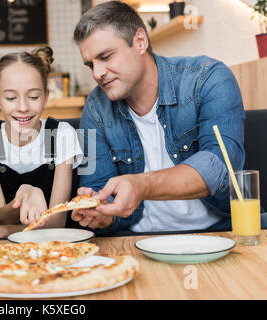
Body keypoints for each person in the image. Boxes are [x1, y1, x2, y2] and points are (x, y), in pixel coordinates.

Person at [70, 1, 251, 234]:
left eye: (106, 57)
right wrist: (100, 214)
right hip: (136, 241)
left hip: (222, 233)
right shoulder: (95, 107)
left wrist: (141, 185)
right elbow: (97, 190)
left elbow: (218, 168)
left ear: (140, 42)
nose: (97, 73)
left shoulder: (209, 78)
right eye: (90, 65)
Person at [0, 46, 83, 237]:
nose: (23, 107)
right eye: (11, 97)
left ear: (46, 97)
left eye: (33, 97)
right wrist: (25, 195)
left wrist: (4, 231)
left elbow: (57, 222)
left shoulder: (61, 135)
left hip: (53, 245)